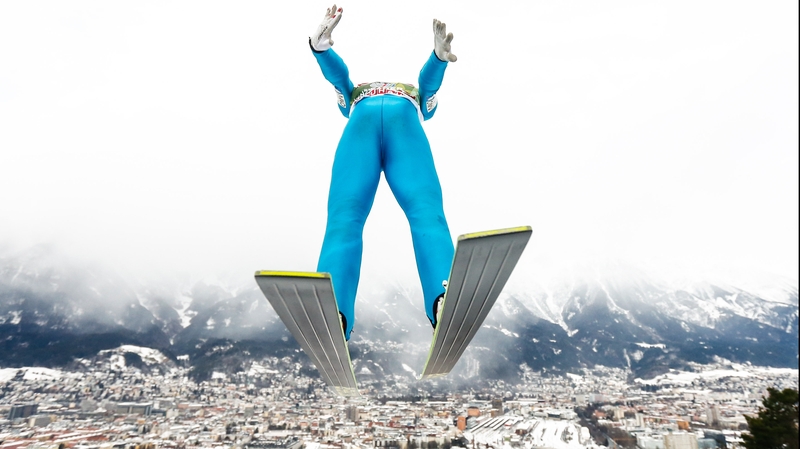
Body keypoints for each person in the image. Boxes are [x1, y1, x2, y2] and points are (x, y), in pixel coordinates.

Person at [309, 4, 458, 340]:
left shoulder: (354, 96)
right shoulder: (415, 97)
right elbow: (428, 88)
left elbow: (340, 79)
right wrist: (436, 58)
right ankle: (442, 296)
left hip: (359, 126)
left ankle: (334, 311)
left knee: (344, 221)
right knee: (426, 212)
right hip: (405, 122)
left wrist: (320, 49)